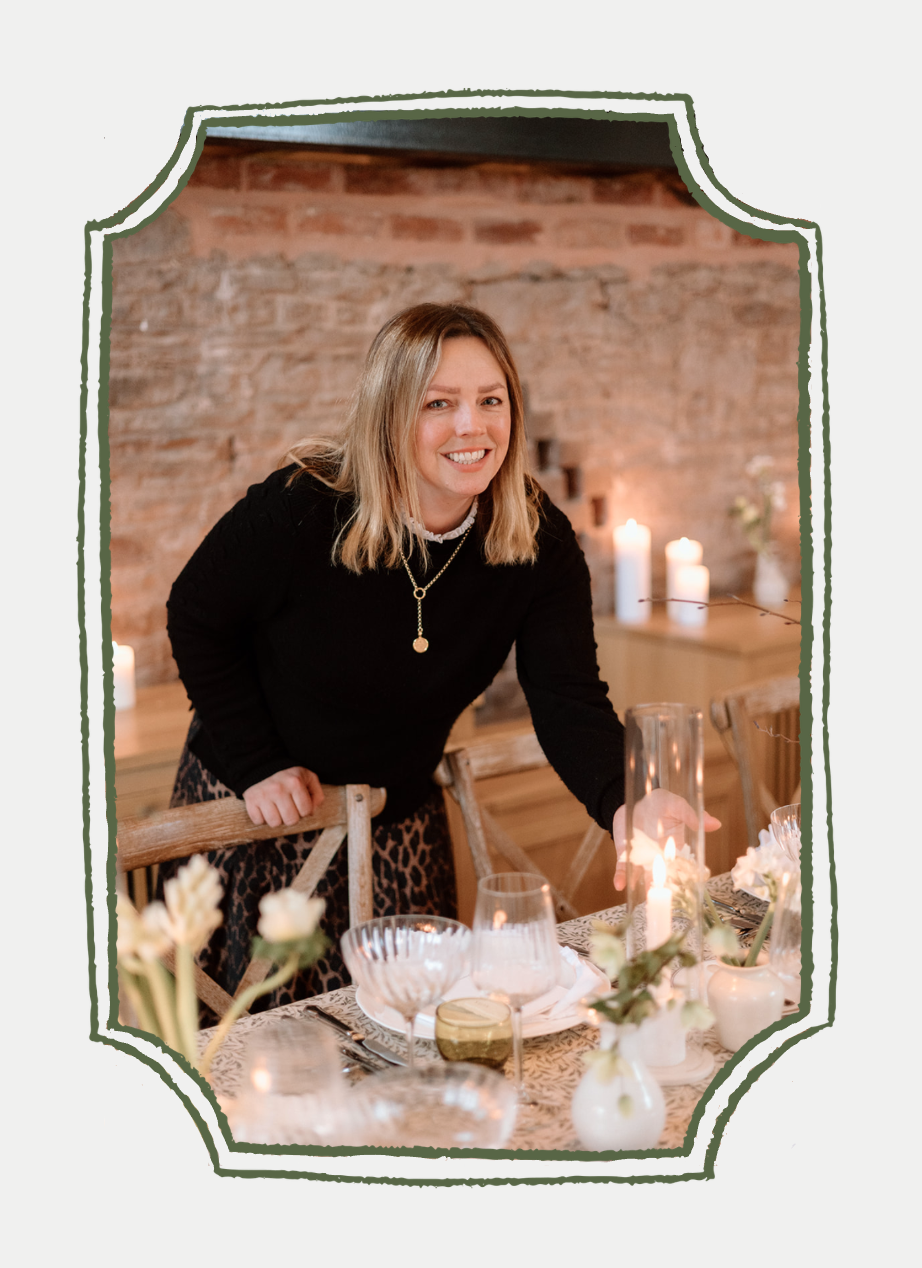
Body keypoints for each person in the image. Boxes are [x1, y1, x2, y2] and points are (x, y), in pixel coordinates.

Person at [161, 301, 713, 1017]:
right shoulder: (302, 507)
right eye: (439, 404)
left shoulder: (535, 538)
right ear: (390, 414)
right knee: (260, 1059)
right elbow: (195, 617)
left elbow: (569, 696)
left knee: (412, 1044)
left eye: (491, 400)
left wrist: (624, 800)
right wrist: (254, 762)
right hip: (258, 820)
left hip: (398, 831)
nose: (471, 427)